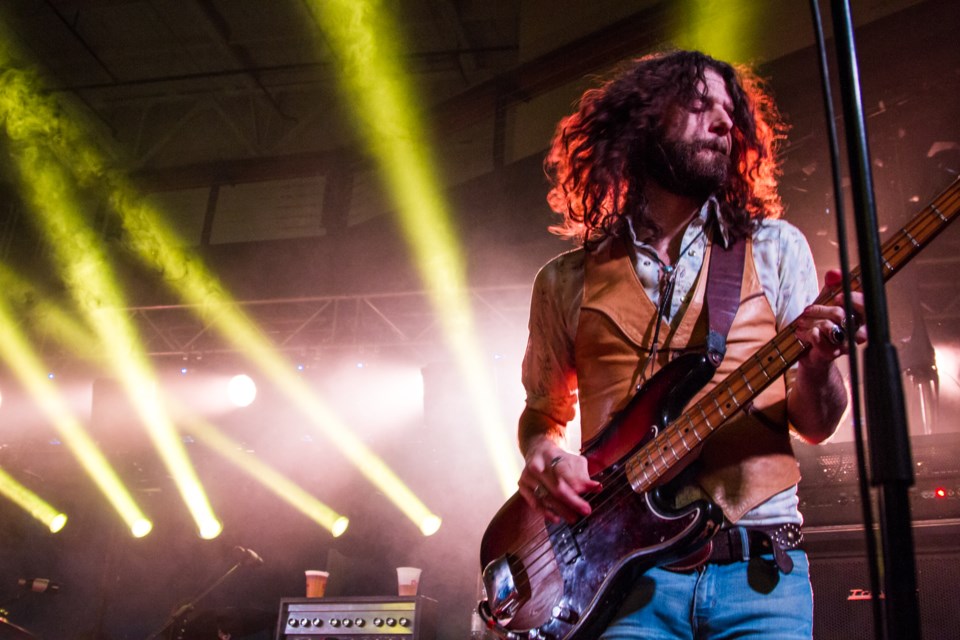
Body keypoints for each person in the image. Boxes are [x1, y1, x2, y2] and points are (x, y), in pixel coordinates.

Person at [515, 50, 866, 639]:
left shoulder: (776, 248)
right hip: (622, 585)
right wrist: (545, 457)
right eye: (700, 105)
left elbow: (816, 423)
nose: (725, 123)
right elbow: (542, 415)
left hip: (759, 576)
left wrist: (821, 363)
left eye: (731, 113)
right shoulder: (564, 281)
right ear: (645, 121)